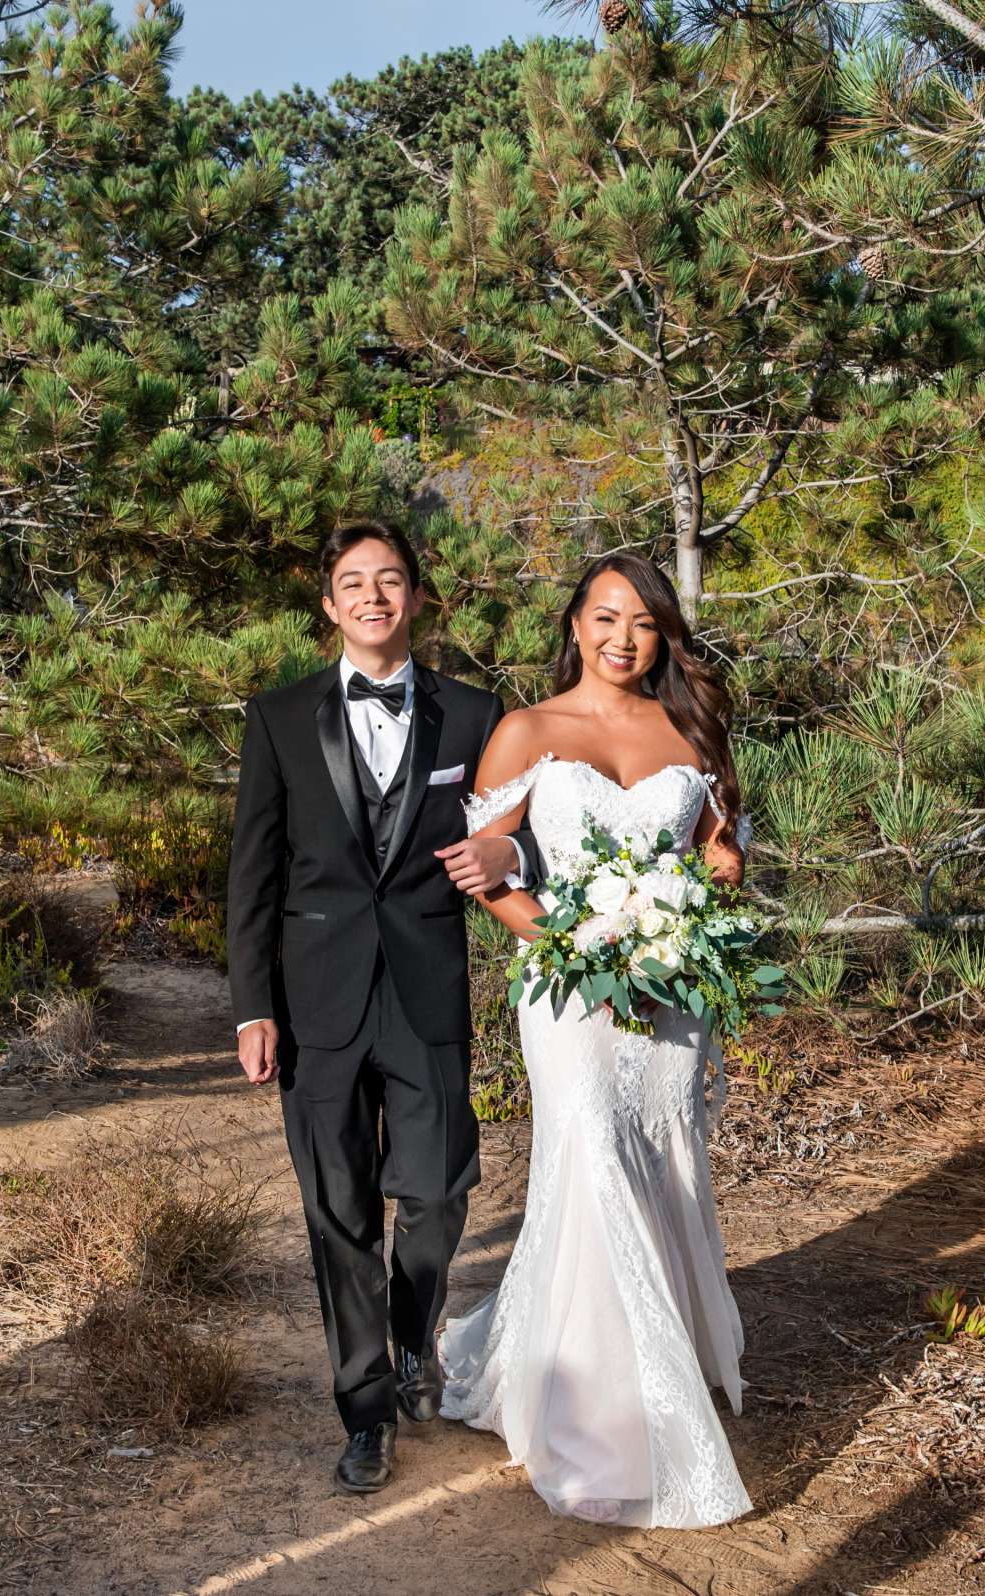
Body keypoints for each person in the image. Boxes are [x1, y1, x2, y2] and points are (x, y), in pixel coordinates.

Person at [224, 521, 546, 1494]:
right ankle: (365, 1415)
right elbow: (254, 871)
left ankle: (415, 1341)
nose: (372, 596)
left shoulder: (475, 715)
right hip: (313, 1002)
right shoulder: (279, 717)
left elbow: (529, 833)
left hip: (424, 990)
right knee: (339, 1214)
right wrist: (252, 1008)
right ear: (330, 605)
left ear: (416, 597)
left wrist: (512, 860)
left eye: (390, 580)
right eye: (352, 583)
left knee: (441, 1195)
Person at [437, 551, 754, 1529]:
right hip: (570, 992)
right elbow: (486, 875)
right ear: (575, 623)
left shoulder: (690, 726)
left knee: (663, 1162)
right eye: (606, 618)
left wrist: (704, 889)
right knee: (591, 1160)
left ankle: (649, 1359)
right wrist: (576, 946)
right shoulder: (527, 730)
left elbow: (721, 849)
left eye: (645, 624)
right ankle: (608, 1417)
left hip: (671, 993)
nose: (624, 640)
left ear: (663, 635)